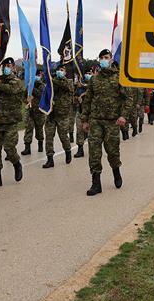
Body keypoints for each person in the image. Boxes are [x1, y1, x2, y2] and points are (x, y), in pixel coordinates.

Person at [81, 49, 132, 196]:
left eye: (106, 57)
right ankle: (96, 184)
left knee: (113, 152)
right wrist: (85, 120)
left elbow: (128, 99)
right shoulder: (94, 80)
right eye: (101, 57)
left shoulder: (119, 78)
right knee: (94, 153)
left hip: (112, 122)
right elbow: (88, 100)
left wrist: (123, 116)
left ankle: (116, 172)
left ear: (111, 59)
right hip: (96, 121)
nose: (103, 60)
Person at [0, 57, 24, 188]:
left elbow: (12, 90)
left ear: (14, 68)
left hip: (10, 122)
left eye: (9, 66)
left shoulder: (16, 82)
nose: (7, 68)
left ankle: (17, 164)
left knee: (9, 148)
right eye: (5, 65)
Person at [43, 63, 73, 168]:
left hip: (63, 115)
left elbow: (66, 87)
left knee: (63, 136)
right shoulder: (51, 83)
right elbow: (46, 92)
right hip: (51, 114)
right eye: (59, 69)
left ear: (65, 72)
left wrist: (52, 79)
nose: (60, 71)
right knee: (49, 137)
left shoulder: (69, 82)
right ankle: (50, 159)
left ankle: (68, 151)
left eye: (62, 70)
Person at [21, 68, 45, 155]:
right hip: (30, 111)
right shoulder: (28, 85)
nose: (36, 77)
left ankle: (40, 145)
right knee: (28, 128)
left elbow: (40, 94)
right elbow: (23, 96)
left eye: (38, 75)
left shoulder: (42, 86)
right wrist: (26, 100)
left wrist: (32, 89)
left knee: (39, 129)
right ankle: (27, 148)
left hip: (39, 111)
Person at [73, 66, 94, 158]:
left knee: (92, 132)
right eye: (87, 73)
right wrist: (78, 97)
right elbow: (75, 95)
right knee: (79, 130)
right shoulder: (79, 84)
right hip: (81, 110)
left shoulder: (95, 83)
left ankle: (93, 150)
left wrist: (84, 91)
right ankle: (80, 149)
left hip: (92, 112)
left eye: (90, 73)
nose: (88, 75)